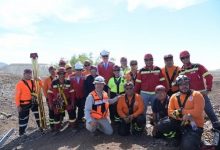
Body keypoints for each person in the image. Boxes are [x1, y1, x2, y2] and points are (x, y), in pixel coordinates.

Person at [158, 75, 205, 150]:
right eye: (181, 84)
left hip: (194, 125)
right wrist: (181, 116)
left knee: (187, 147)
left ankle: (194, 140)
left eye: (186, 84)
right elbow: (170, 112)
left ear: (189, 84)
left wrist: (182, 111)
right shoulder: (174, 96)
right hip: (179, 123)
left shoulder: (197, 95)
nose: (184, 86)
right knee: (161, 125)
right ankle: (177, 137)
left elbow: (197, 112)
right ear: (178, 86)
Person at [179, 50, 220, 129]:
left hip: (202, 95)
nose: (185, 59)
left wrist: (208, 89)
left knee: (209, 111)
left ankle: (217, 126)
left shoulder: (197, 66)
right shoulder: (181, 71)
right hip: (189, 96)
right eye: (183, 58)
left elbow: (208, 76)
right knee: (191, 113)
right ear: (181, 59)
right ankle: (195, 128)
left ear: (189, 57)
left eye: (187, 57)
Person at [47, 67, 75, 132]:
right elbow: (49, 94)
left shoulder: (68, 82)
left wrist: (72, 102)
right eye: (60, 73)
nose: (62, 75)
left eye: (63, 73)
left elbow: (72, 93)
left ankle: (72, 127)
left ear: (65, 74)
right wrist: (50, 103)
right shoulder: (54, 82)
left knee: (71, 113)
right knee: (56, 115)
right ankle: (57, 129)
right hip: (58, 101)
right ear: (58, 74)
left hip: (67, 101)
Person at [15, 69, 41, 136]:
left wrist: (39, 80)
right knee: (23, 118)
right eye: (28, 73)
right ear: (24, 74)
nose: (29, 75)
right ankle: (22, 132)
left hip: (33, 102)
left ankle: (40, 127)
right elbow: (17, 96)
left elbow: (41, 86)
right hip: (24, 104)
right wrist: (18, 106)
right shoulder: (20, 84)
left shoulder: (33, 82)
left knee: (37, 115)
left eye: (30, 73)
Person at [70, 61, 86, 128]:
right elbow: (69, 87)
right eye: (77, 70)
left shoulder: (84, 77)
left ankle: (80, 120)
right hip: (74, 96)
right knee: (73, 109)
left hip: (82, 96)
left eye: (80, 70)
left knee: (81, 109)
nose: (79, 71)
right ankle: (73, 122)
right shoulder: (71, 77)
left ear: (82, 70)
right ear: (75, 70)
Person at [43, 66, 56, 130]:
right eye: (51, 70)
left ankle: (58, 123)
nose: (52, 71)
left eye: (53, 70)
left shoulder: (58, 77)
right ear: (49, 71)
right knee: (51, 111)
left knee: (58, 110)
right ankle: (52, 125)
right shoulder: (47, 80)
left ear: (55, 70)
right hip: (50, 98)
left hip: (57, 98)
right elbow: (44, 89)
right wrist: (47, 98)